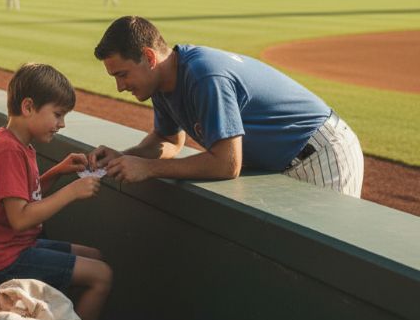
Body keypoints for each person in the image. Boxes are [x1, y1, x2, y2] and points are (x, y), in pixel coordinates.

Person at [90, 16, 364, 197]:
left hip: (320, 153)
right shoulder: (161, 84)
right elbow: (168, 140)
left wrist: (148, 168)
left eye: (122, 74)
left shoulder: (203, 75)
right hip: (281, 161)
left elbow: (226, 164)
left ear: (149, 57)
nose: (120, 87)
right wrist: (124, 157)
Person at [0, 63, 112, 320]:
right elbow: (20, 218)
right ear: (28, 107)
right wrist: (71, 192)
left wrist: (58, 171)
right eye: (57, 114)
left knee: (95, 257)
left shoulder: (14, 142)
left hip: (11, 248)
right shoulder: (9, 150)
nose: (62, 123)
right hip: (0, 260)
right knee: (102, 276)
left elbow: (22, 198)